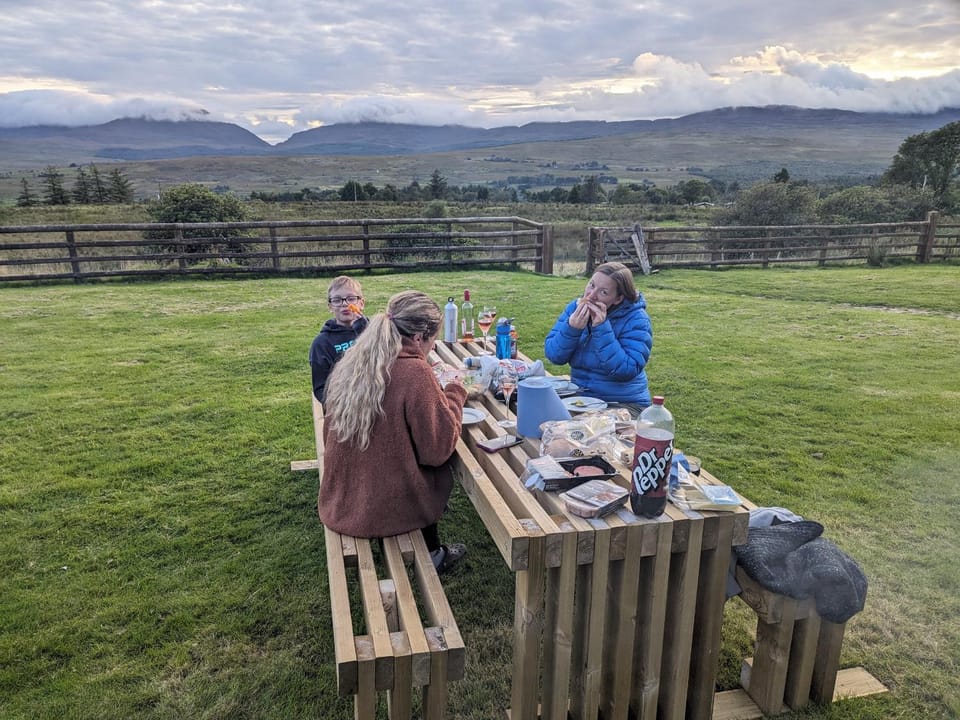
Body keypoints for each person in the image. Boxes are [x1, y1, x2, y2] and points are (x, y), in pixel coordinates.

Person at [317, 290, 470, 574]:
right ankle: (433, 555)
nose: (431, 350)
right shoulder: (414, 373)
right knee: (429, 464)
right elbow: (437, 450)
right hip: (384, 509)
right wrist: (456, 391)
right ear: (417, 338)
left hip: (343, 497)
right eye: (432, 342)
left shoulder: (357, 359)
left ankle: (430, 546)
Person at [544, 261, 653, 416]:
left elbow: (626, 370)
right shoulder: (574, 309)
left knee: (581, 432)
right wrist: (572, 329)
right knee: (538, 412)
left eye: (603, 292)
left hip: (623, 404)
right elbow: (554, 355)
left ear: (618, 299)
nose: (591, 295)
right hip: (582, 400)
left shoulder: (637, 319)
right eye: (591, 285)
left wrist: (601, 328)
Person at [309, 276, 368, 405]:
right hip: (344, 407)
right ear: (330, 306)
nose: (345, 304)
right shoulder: (321, 344)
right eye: (337, 300)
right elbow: (320, 388)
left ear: (361, 303)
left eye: (351, 298)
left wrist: (364, 330)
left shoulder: (374, 331)